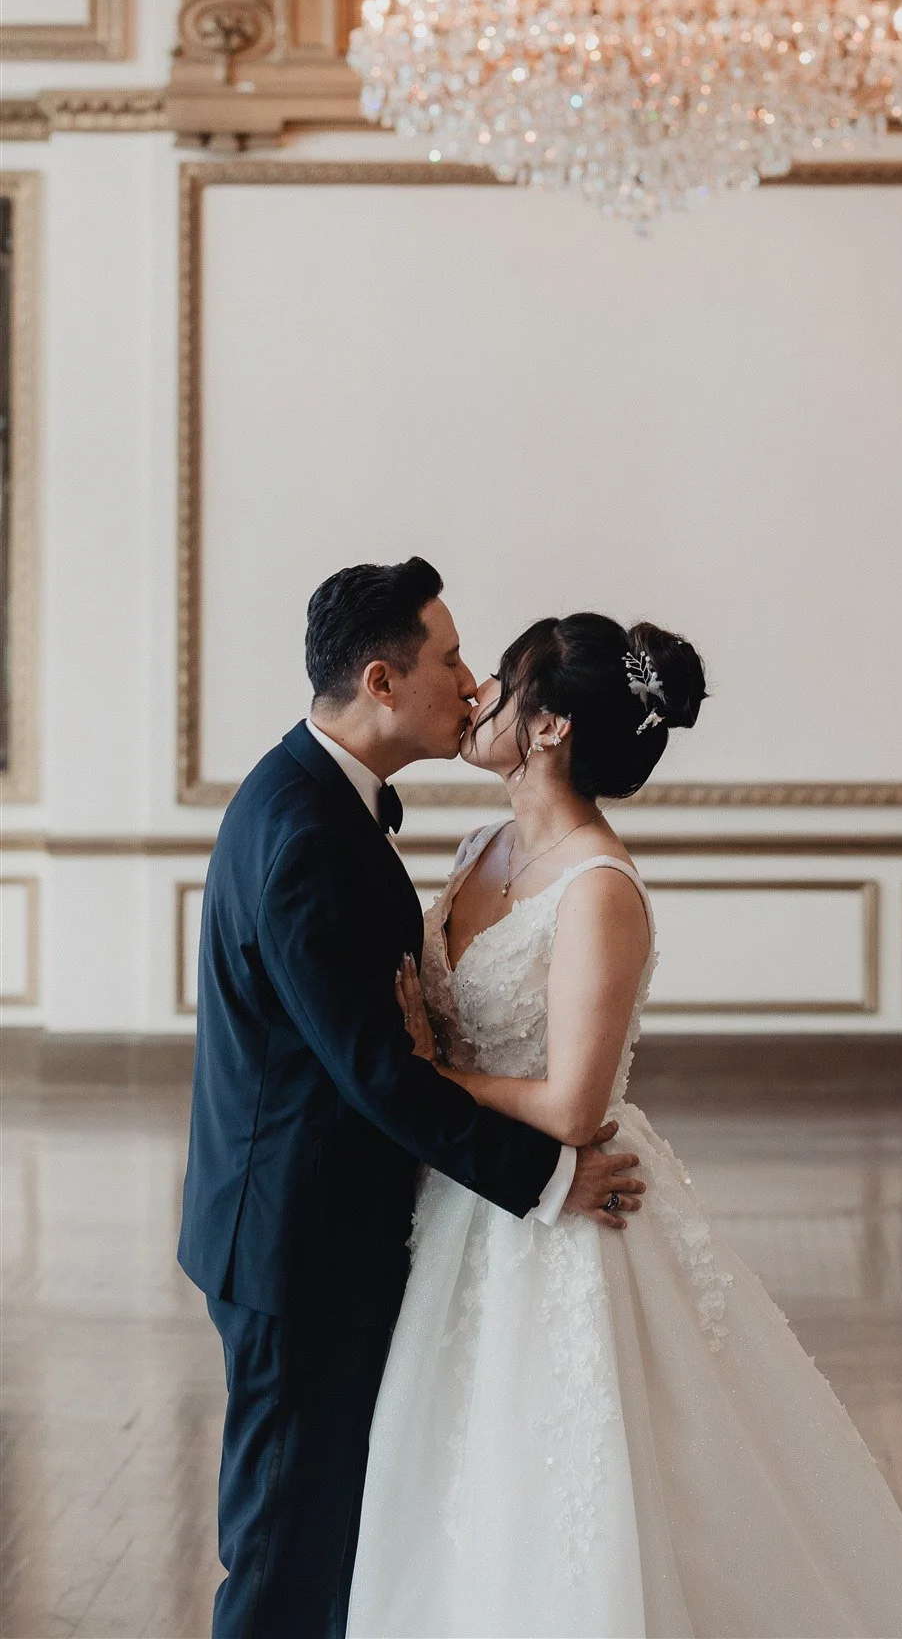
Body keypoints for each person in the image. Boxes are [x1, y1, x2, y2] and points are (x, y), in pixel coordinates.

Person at [348, 611, 902, 1639]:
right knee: (460, 1471)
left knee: (581, 1483)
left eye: (499, 685)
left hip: (563, 1216)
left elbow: (572, 1106)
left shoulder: (600, 890)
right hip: (464, 1202)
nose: (476, 698)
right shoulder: (477, 847)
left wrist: (427, 1076)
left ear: (546, 727)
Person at [178, 561, 645, 1639]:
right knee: (285, 1554)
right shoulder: (305, 835)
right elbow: (379, 1072)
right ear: (383, 680)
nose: (472, 680)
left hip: (338, 1226)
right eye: (448, 659)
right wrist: (547, 1174)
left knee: (354, 1529)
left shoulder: (317, 803)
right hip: (296, 1246)